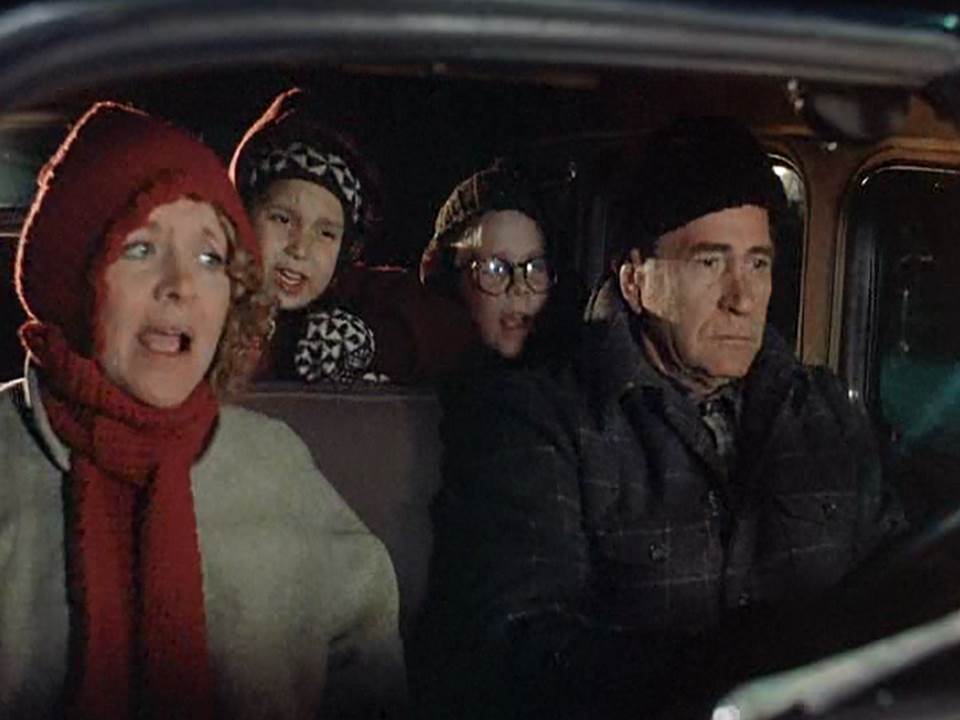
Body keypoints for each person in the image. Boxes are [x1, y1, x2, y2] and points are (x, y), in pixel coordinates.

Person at [414, 117, 905, 719]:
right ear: (637, 283)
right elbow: (519, 647)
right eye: (709, 263)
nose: (742, 297)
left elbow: (898, 592)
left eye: (757, 264)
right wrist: (731, 670)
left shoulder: (825, 416)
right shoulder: (541, 422)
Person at [0, 101, 405, 719]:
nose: (182, 285)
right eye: (141, 248)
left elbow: (372, 675)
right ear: (76, 271)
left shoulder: (277, 466)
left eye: (211, 258)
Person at [230, 87, 476, 384]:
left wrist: (370, 343)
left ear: (345, 250)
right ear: (244, 216)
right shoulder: (211, 294)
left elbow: (457, 334)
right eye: (282, 219)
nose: (300, 248)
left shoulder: (353, 292)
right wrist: (281, 345)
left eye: (326, 233)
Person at [419, 159, 572, 368]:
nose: (520, 287)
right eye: (495, 269)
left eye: (536, 267)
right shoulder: (419, 375)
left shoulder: (570, 374)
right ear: (450, 279)